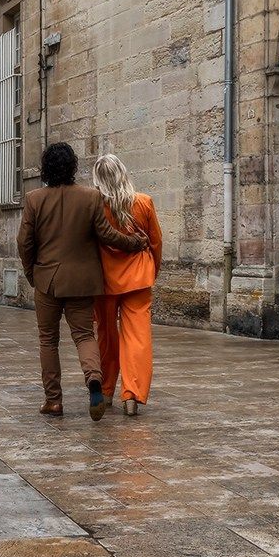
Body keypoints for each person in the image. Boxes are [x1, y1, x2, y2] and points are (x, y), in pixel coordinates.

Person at [16, 142, 147, 421]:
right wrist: (134, 243)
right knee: (85, 335)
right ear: (73, 167)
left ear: (46, 169)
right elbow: (108, 235)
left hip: (47, 281)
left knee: (48, 340)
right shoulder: (90, 197)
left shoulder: (34, 199)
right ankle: (94, 381)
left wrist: (31, 273)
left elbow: (24, 242)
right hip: (83, 281)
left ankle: (53, 401)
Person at [92, 154, 163, 417]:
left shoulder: (96, 205)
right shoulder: (143, 202)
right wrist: (152, 269)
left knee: (107, 337)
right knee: (138, 338)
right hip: (138, 277)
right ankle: (132, 396)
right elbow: (155, 241)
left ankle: (107, 390)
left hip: (105, 279)